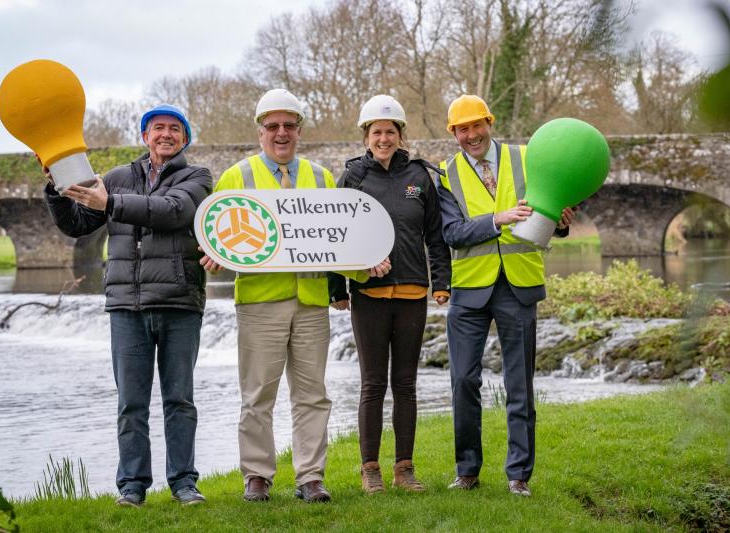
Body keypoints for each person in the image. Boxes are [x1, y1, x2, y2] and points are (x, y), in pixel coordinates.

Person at [205, 88, 386, 504]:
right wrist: (214, 255)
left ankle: (311, 477)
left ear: (300, 130)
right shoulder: (236, 177)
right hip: (259, 302)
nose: (281, 133)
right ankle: (257, 476)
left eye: (289, 125)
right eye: (273, 126)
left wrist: (366, 265)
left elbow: (337, 243)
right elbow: (219, 237)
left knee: (313, 395)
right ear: (260, 132)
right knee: (257, 396)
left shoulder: (321, 178)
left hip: (311, 302)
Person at [43, 104, 213, 507]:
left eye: (175, 129)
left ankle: (184, 483)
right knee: (131, 404)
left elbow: (172, 212)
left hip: (178, 301)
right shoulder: (118, 177)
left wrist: (110, 204)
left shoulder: (197, 177)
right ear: (145, 136)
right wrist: (55, 188)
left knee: (179, 400)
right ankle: (132, 486)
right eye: (158, 128)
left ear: (184, 138)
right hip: (126, 306)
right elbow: (77, 224)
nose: (166, 134)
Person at [437, 95, 575, 497]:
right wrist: (497, 219)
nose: (472, 135)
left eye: (477, 125)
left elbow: (550, 211)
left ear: (490, 123)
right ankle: (467, 471)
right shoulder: (445, 173)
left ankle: (519, 475)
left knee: (520, 384)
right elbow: (451, 233)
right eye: (463, 129)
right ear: (454, 133)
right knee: (463, 381)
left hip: (518, 285)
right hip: (469, 289)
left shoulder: (529, 158)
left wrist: (561, 221)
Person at [334, 95, 451, 494]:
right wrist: (337, 289)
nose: (383, 139)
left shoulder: (420, 177)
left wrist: (442, 282)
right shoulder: (352, 178)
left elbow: (435, 236)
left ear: (401, 135)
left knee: (405, 383)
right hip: (368, 294)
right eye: (376, 132)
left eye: (390, 132)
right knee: (372, 384)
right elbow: (335, 237)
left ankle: (404, 467)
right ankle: (370, 468)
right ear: (366, 137)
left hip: (413, 292)